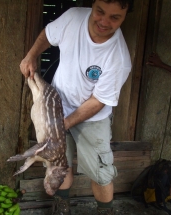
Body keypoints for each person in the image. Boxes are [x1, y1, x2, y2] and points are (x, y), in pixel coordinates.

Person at [20, 0, 133, 214]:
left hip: (92, 118)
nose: (104, 21)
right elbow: (48, 34)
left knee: (100, 172)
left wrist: (63, 125)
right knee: (58, 164)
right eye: (100, 12)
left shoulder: (119, 58)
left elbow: (97, 102)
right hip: (57, 106)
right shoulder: (73, 17)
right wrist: (32, 55)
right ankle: (62, 206)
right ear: (93, 5)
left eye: (114, 17)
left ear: (125, 16)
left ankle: (104, 211)